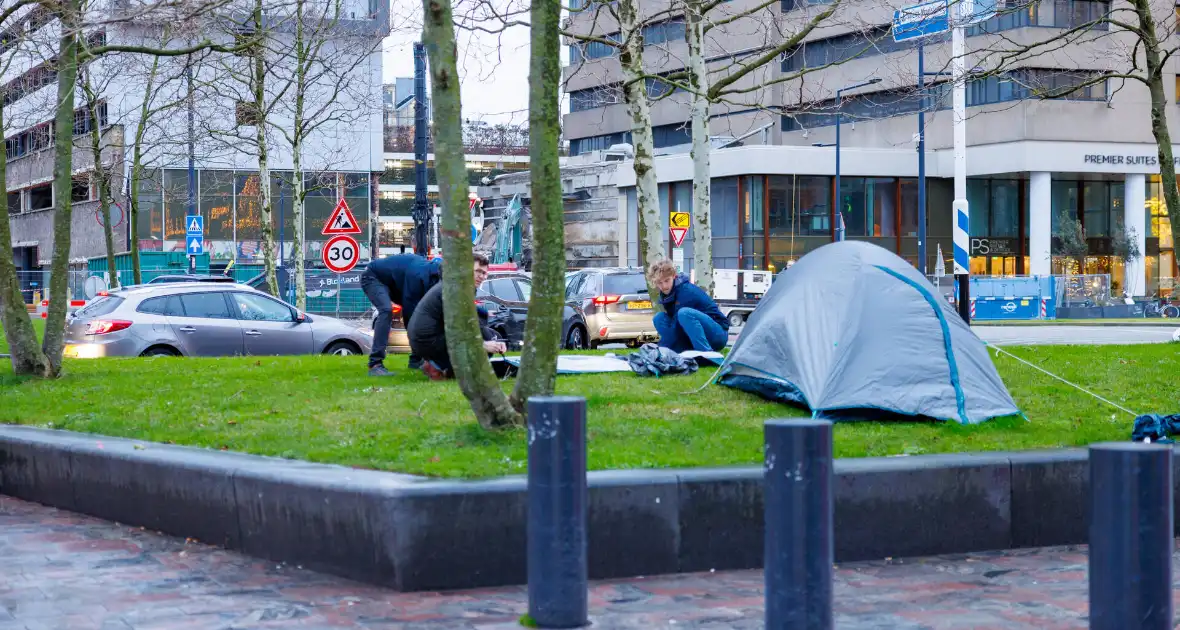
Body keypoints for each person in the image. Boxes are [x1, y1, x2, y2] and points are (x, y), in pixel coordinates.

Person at [408, 253, 507, 381]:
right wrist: (482, 345)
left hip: (427, 337)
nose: (481, 276)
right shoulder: (455, 290)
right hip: (427, 341)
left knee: (491, 335)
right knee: (485, 339)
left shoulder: (459, 286)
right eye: (477, 271)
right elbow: (458, 327)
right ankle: (439, 368)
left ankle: (439, 365)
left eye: (484, 273)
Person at [360, 253, 442, 376]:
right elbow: (411, 316)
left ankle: (415, 361)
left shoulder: (433, 277)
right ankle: (375, 364)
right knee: (386, 310)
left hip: (395, 282)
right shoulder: (418, 276)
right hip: (373, 276)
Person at [649, 260, 729, 353]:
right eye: (659, 283)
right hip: (693, 334)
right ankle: (675, 352)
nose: (664, 286)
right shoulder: (667, 294)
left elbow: (675, 326)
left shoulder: (686, 291)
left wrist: (660, 348)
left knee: (684, 313)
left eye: (667, 280)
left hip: (717, 334)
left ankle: (706, 354)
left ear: (674, 276)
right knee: (659, 318)